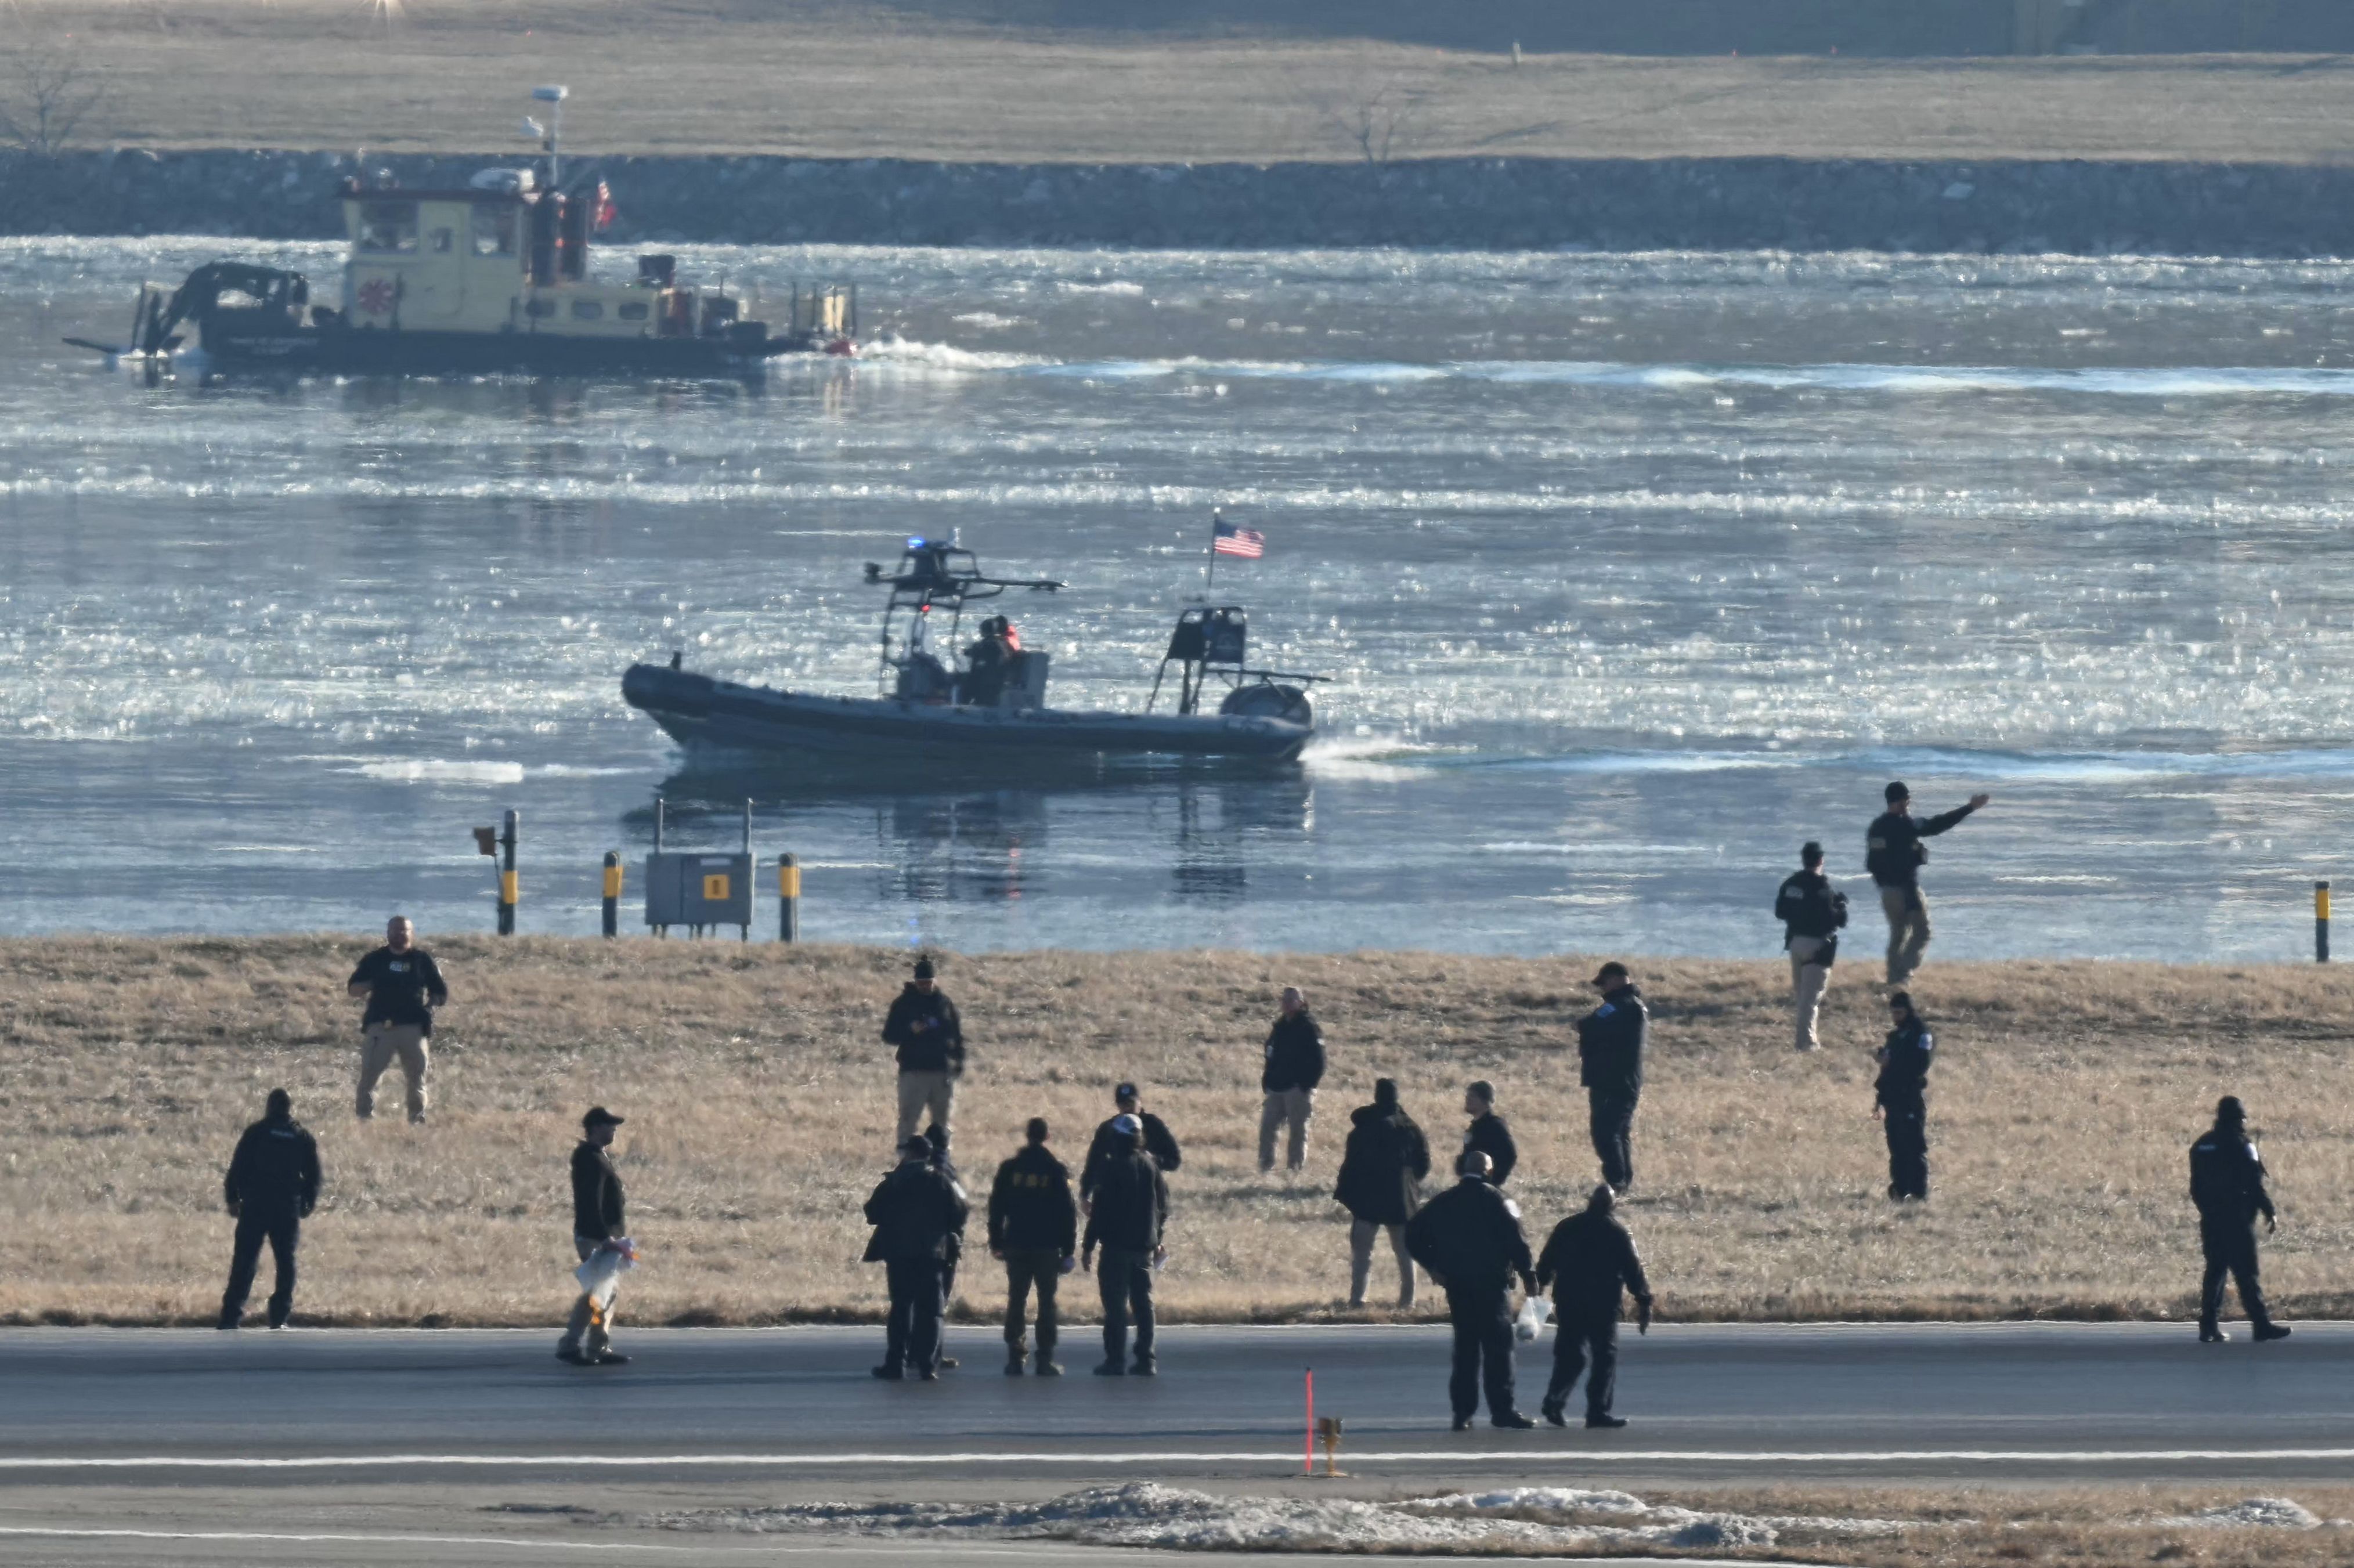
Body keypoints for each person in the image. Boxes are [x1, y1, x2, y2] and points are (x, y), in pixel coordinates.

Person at [1405, 1149, 1537, 1430]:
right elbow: (1517, 1241)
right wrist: (1529, 1274)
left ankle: (1462, 1414)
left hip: (1458, 1285)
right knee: (1498, 1350)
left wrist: (1433, 1266)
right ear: (1489, 1172)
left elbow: (1413, 1234)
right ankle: (1502, 1411)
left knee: (1465, 1351)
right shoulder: (1500, 1201)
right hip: (1492, 1286)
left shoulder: (1444, 1201)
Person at [1535, 1184, 1653, 1429]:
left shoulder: (1567, 1227)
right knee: (1604, 1358)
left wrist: (1538, 1288)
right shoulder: (1619, 1233)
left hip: (1570, 1302)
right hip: (1603, 1305)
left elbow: (1547, 1262)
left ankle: (1554, 1401)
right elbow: (1634, 1271)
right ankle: (1597, 1412)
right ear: (1613, 1206)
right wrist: (1643, 1301)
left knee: (1570, 1356)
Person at [864, 1132, 970, 1381]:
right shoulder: (942, 1180)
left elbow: (872, 1213)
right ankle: (927, 1364)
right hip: (932, 1254)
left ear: (909, 1153)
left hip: (899, 1254)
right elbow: (960, 1212)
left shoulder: (895, 1181)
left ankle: (896, 1363)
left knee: (901, 1308)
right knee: (931, 1311)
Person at [1866, 782, 1992, 987]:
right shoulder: (1906, 825)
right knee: (1923, 932)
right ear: (1902, 801)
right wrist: (1969, 808)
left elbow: (1871, 863)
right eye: (1907, 800)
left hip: (1887, 892)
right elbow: (1937, 825)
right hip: (1907, 889)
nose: (1909, 804)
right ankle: (1903, 976)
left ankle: (1892, 979)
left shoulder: (1876, 828)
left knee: (1898, 935)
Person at [218, 1088, 322, 1331]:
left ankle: (231, 1317)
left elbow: (238, 1166)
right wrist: (308, 1202)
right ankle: (279, 1316)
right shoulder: (301, 1136)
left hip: (256, 1204)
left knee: (245, 1261)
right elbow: (313, 1175)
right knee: (286, 1262)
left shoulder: (257, 1133)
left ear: (269, 1107)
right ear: (288, 1109)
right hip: (287, 1207)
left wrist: (233, 1198)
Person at [2190, 1096, 2290, 1344]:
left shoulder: (2202, 1145)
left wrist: (2208, 1211)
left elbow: (2196, 1188)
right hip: (2237, 1221)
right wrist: (2270, 1211)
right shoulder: (2243, 1145)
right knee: (2247, 1273)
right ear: (2239, 1119)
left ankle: (2208, 1327)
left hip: (2212, 1220)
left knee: (2215, 1271)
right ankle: (2261, 1325)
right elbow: (2254, 1185)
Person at [1081, 1114, 1169, 1376]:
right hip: (1143, 1249)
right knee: (1144, 1305)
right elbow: (1163, 1208)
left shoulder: (1110, 1168)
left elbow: (1100, 1213)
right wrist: (1158, 1239)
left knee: (1116, 1307)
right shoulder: (1152, 1168)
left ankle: (1116, 1360)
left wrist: (1087, 1247)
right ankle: (1146, 1360)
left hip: (1116, 1250)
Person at [990, 1117, 1078, 1375]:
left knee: (1016, 1299)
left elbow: (996, 1208)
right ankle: (1044, 1359)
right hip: (1047, 1247)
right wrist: (1069, 1250)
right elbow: (1067, 1213)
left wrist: (996, 1241)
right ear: (1047, 1137)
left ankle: (1016, 1358)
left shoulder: (1010, 1169)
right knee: (1046, 1302)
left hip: (1016, 1243)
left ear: (1027, 1136)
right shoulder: (1055, 1170)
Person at [1334, 1078, 1430, 1309]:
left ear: (1376, 1096)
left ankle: (1358, 1300)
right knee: (1405, 1253)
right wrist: (1410, 1186)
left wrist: (1350, 1192)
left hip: (1369, 1200)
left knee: (1362, 1253)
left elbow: (1352, 1165)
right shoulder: (1411, 1128)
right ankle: (1408, 1301)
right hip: (1401, 1200)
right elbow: (1424, 1164)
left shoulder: (1364, 1128)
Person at [345, 915, 447, 1125]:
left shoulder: (422, 960)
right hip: (380, 1028)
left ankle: (417, 1120)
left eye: (404, 930)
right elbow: (353, 990)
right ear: (388, 933)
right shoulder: (375, 959)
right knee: (369, 1078)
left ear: (412, 933)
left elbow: (440, 992)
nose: (399, 934)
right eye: (395, 930)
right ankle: (365, 1121)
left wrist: (429, 1007)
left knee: (417, 1079)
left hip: (413, 1029)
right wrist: (375, 983)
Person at [558, 1107, 631, 1366]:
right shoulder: (589, 1158)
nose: (614, 1130)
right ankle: (572, 1345)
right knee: (597, 1293)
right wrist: (604, 1238)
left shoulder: (597, 1156)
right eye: (609, 1125)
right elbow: (591, 1202)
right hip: (595, 1236)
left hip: (603, 1235)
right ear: (595, 1127)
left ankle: (597, 1346)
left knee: (604, 1293)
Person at [1575, 962, 1647, 1193]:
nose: (1602, 990)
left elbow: (1590, 1026)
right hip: (1617, 1081)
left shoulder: (1625, 1006)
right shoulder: (1628, 1007)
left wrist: (1586, 1030)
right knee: (1618, 1133)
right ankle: (1622, 1180)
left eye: (1604, 983)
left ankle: (1616, 1181)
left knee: (1605, 1133)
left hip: (1614, 1082)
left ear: (1617, 979)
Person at [882, 957, 964, 1152]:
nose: (926, 986)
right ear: (915, 982)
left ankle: (942, 1158)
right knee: (909, 1118)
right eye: (922, 983)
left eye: (929, 982)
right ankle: (905, 1156)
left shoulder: (944, 1004)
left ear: (935, 981)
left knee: (942, 1121)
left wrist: (959, 1061)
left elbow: (956, 1034)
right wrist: (910, 1030)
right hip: (913, 1072)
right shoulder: (903, 1004)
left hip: (941, 1071)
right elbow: (889, 1036)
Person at [1774, 841, 1849, 1052]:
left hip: (1795, 942)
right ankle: (1806, 1044)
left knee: (1802, 997)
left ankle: (1806, 1041)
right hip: (1817, 945)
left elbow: (1780, 912)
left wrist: (1798, 915)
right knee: (1811, 999)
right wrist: (1841, 907)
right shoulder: (1822, 887)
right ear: (1821, 860)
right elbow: (1835, 920)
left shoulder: (1790, 884)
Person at [1082, 1082, 1182, 1209]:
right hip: (1116, 1194)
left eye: (1131, 1103)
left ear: (1140, 1102)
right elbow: (1093, 1163)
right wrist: (1085, 1194)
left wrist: (1154, 1159)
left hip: (1149, 1195)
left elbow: (1175, 1160)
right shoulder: (1108, 1129)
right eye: (1122, 1104)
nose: (1127, 1108)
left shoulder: (1154, 1126)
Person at [1873, 992, 1934, 1201]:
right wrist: (1880, 1097)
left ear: (1909, 1011)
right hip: (1893, 1099)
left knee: (1914, 1147)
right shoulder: (1894, 1037)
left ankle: (1918, 1192)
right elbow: (1886, 1071)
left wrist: (1893, 1063)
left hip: (1910, 1098)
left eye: (1900, 1013)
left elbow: (1920, 1065)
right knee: (1897, 1148)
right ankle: (1900, 1190)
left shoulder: (1922, 1034)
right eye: (1894, 1013)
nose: (1896, 1017)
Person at [1259, 986, 1325, 1173]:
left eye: (1291, 999)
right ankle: (1265, 1169)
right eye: (1284, 999)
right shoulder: (1280, 1026)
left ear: (1302, 1002)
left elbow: (1320, 1062)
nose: (1286, 1003)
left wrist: (1305, 1085)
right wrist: (1268, 1079)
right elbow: (1269, 1053)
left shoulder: (1309, 1027)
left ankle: (1294, 1171)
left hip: (1298, 1090)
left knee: (1298, 1132)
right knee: (1267, 1129)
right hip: (1276, 1088)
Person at [1462, 1081, 1518, 1187]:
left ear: (1484, 1101)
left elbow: (1510, 1155)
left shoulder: (1495, 1126)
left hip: (1486, 1188)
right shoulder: (1475, 1127)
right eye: (1467, 1096)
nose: (1467, 1099)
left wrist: (1494, 1181)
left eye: (1472, 1096)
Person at [962, 616, 1013, 708]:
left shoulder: (989, 644)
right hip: (998, 678)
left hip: (989, 680)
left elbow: (978, 652)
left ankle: (963, 704)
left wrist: (968, 651)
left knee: (969, 680)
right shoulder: (1002, 643)